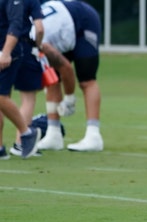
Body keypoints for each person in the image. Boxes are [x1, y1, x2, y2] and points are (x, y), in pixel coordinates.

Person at [35, 0, 103, 152]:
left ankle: (94, 135)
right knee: (51, 78)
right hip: (61, 29)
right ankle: (53, 134)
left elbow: (65, 67)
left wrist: (69, 98)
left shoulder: (37, 41)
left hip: (83, 20)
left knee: (87, 80)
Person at [0, 0, 42, 159]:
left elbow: (15, 25)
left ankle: (26, 133)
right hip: (18, 49)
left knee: (2, 96)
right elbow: (39, 28)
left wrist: (6, 52)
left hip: (9, 52)